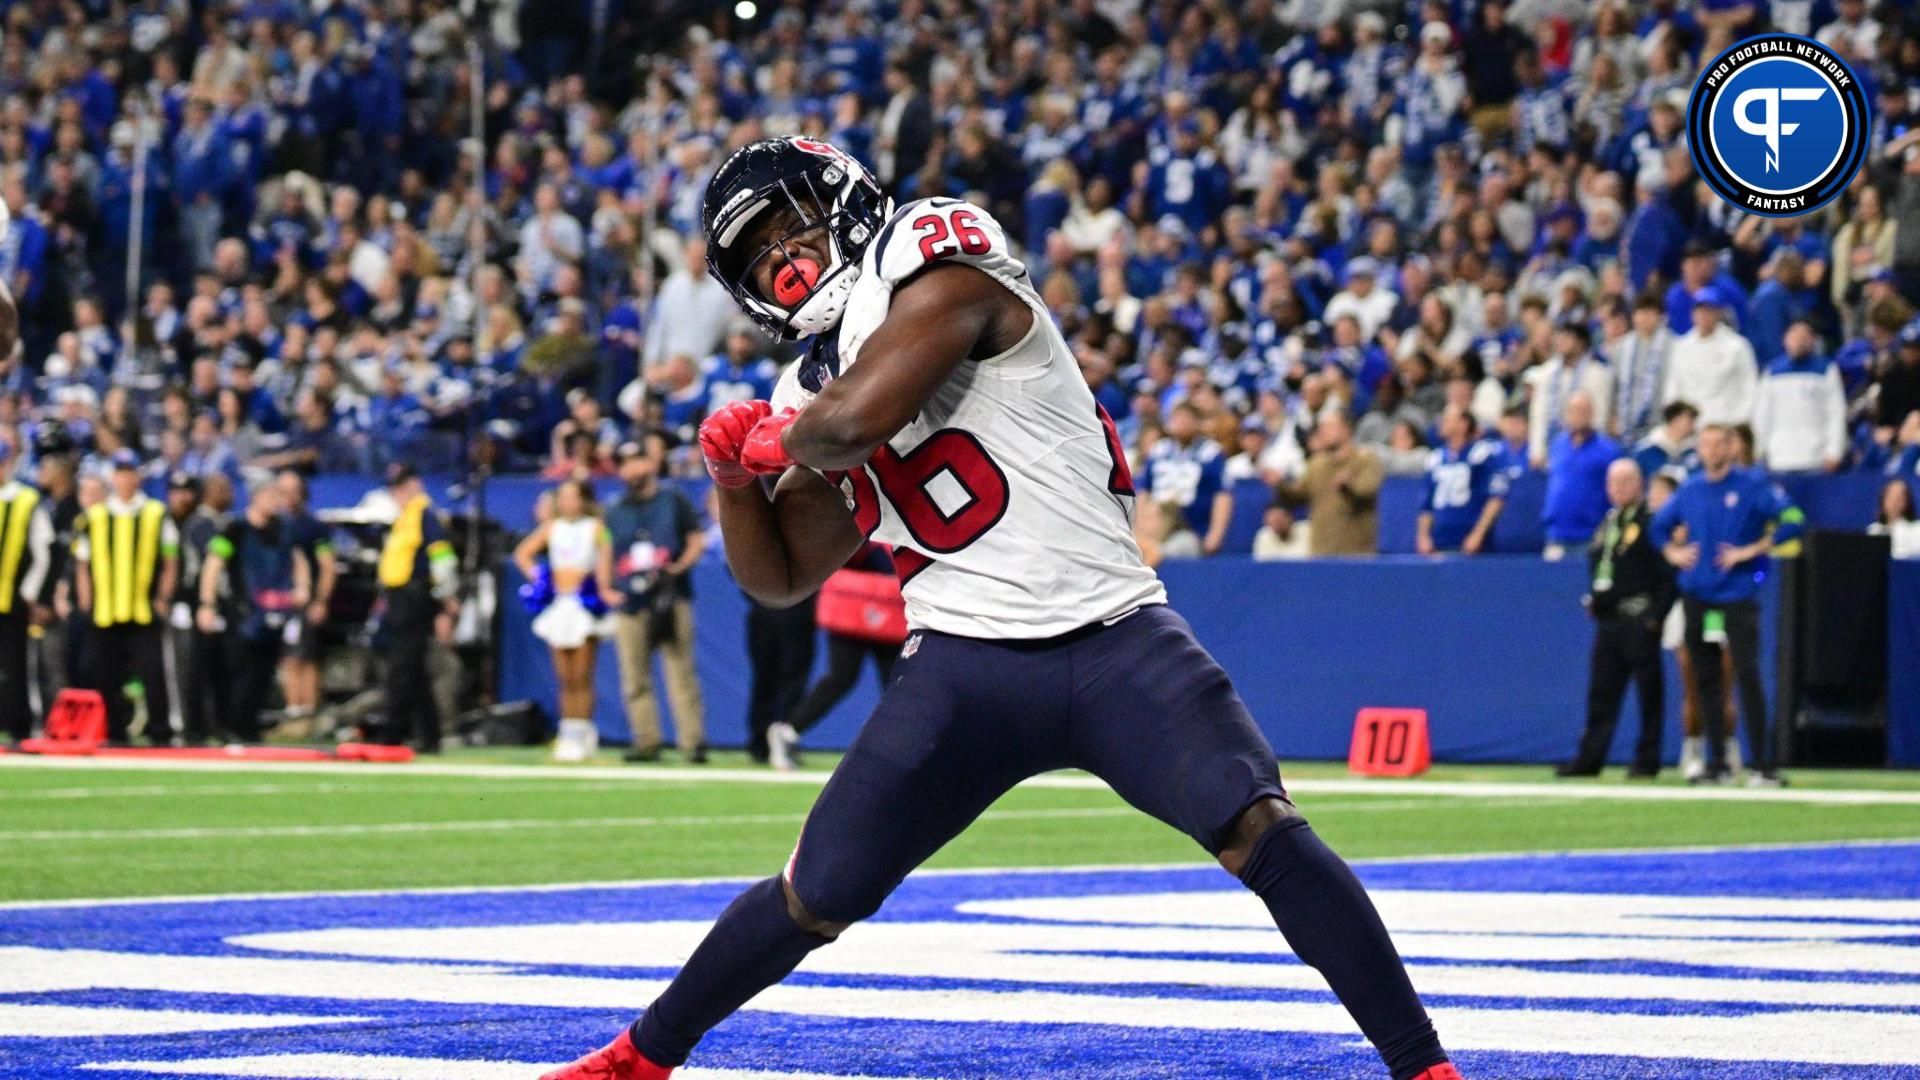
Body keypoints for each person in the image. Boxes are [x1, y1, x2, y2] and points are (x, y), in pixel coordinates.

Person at [545, 137, 1455, 1080]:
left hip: (1114, 638)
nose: (783, 259)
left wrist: (777, 443)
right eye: (756, 257)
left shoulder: (938, 254)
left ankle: (1424, 1067)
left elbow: (851, 424)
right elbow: (780, 575)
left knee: (1259, 829)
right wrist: (734, 481)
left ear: (844, 198)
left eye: (788, 225)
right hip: (961, 667)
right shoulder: (810, 385)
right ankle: (638, 1059)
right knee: (814, 893)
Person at [1652, 424, 1805, 787]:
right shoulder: (1690, 489)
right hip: (1698, 597)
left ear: (1730, 447)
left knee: (1748, 678)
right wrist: (1673, 552)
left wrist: (1754, 549)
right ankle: (1717, 761)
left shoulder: (1752, 486)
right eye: (1704, 444)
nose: (1711, 451)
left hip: (1736, 596)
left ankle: (1763, 765)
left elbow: (1794, 520)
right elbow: (1658, 527)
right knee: (1704, 681)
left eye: (1718, 443)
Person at [1557, 459, 1674, 778]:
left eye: (1626, 482)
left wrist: (1656, 618)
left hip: (1638, 616)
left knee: (1649, 694)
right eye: (1613, 483)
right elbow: (1604, 565)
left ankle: (1647, 760)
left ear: (1640, 485)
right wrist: (1596, 598)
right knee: (1601, 694)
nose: (1619, 489)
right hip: (1608, 620)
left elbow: (1667, 574)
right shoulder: (1608, 522)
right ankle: (1589, 759)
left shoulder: (1651, 524)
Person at [604, 435, 707, 763]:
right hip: (631, 598)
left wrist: (678, 567)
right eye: (624, 464)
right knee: (634, 675)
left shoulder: (673, 500)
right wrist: (606, 586)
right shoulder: (615, 509)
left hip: (669, 595)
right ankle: (646, 740)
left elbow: (695, 539)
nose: (631, 469)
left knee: (680, 670)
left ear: (650, 464)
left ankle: (692, 742)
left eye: (636, 460)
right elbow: (607, 550)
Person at [72, 450, 179, 745]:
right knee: (106, 676)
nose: (125, 478)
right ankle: (114, 733)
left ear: (138, 476)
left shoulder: (155, 513)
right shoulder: (94, 517)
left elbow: (170, 559)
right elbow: (82, 563)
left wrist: (163, 596)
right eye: (120, 472)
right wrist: (86, 600)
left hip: (142, 608)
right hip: (105, 608)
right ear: (113, 477)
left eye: (130, 471)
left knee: (153, 675)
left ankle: (160, 732)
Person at [766, 541, 903, 771]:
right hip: (850, 607)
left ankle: (900, 745)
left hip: (887, 609)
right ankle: (787, 731)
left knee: (895, 684)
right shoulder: (860, 528)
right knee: (842, 678)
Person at [197, 480, 308, 743]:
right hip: (243, 612)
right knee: (239, 672)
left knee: (264, 673)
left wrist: (302, 588)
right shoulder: (235, 529)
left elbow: (298, 559)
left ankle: (250, 726)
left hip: (275, 612)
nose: (275, 500)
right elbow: (213, 564)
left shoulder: (283, 529)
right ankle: (232, 727)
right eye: (270, 494)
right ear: (255, 497)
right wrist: (207, 603)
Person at [515, 478, 615, 763]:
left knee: (582, 676)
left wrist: (603, 588)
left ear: (584, 500)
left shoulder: (597, 529)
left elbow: (605, 557)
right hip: (560, 603)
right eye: (564, 497)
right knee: (564, 677)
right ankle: (568, 731)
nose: (568, 503)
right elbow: (523, 553)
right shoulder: (551, 528)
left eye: (574, 497)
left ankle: (583, 731)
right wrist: (540, 578)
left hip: (584, 604)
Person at [373, 463, 458, 752]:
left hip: (415, 597)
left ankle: (393, 732)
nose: (395, 492)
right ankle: (429, 735)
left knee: (402, 666)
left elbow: (443, 557)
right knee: (415, 669)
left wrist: (446, 598)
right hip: (399, 598)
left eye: (400, 486)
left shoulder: (424, 514)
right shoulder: (405, 517)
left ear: (414, 484)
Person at [1274, 412, 1386, 556]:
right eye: (1321, 428)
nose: (1322, 432)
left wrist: (1348, 487)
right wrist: (1279, 484)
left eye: (1329, 427)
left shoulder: (1365, 459)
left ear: (1346, 429)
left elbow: (1367, 490)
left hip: (1356, 554)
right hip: (1321, 553)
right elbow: (1298, 496)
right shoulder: (1316, 464)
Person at [0, 437, 53, 742]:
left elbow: (42, 552)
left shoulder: (26, 499)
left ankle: (20, 727)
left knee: (15, 667)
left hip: (12, 598)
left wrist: (30, 593)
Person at [276, 470, 335, 736]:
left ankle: (307, 716)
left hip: (305, 600)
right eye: (282, 490)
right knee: (287, 658)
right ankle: (292, 713)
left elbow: (327, 565)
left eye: (292, 491)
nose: (287, 497)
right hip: (280, 602)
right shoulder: (275, 524)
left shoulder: (313, 527)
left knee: (306, 657)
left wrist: (320, 600)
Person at [1753, 320, 1847, 474]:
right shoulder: (1772, 372)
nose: (1799, 342)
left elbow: (1836, 412)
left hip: (1816, 458)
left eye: (1804, 337)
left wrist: (1834, 450)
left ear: (1813, 340)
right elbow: (1762, 414)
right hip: (1779, 458)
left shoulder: (1826, 370)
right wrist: (1759, 450)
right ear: (1785, 339)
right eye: (1794, 336)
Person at [1142, 401, 1232, 554]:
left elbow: (1222, 495)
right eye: (1177, 418)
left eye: (1186, 418)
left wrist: (1215, 535)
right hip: (1156, 525)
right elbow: (1144, 492)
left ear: (1198, 423)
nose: (1181, 423)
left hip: (1190, 529)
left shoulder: (1210, 453)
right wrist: (1140, 528)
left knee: (1173, 551)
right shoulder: (1159, 450)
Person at [1416, 405, 1507, 555]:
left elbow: (1496, 497)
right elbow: (1426, 504)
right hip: (1439, 541)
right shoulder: (1436, 458)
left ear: (1463, 424)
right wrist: (1423, 536)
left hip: (1471, 542)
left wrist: (1478, 533)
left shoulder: (1481, 454)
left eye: (1448, 419)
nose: (1442, 423)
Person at [1541, 391, 1621, 560]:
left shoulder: (1608, 449)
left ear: (1592, 413)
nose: (1579, 415)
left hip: (1590, 533)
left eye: (1584, 410)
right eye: (1574, 410)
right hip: (1556, 533)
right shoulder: (1558, 444)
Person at [1870, 477, 1920, 558]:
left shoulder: (1916, 529)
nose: (1894, 502)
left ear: (1907, 501)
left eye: (1899, 497)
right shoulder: (1874, 529)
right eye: (1891, 497)